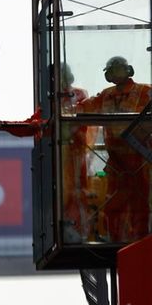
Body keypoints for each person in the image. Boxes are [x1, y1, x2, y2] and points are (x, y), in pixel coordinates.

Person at [78, 56, 152, 241]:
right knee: (113, 206)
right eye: (112, 70)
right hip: (116, 163)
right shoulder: (105, 95)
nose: (115, 73)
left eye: (118, 68)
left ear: (128, 70)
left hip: (141, 161)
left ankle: (139, 242)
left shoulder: (146, 91)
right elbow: (82, 109)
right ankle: (117, 241)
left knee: (140, 206)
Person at [59, 63, 96, 242]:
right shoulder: (49, 96)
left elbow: (85, 116)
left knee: (78, 189)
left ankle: (82, 229)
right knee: (62, 192)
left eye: (63, 73)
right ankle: (68, 228)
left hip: (77, 152)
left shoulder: (79, 94)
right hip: (58, 153)